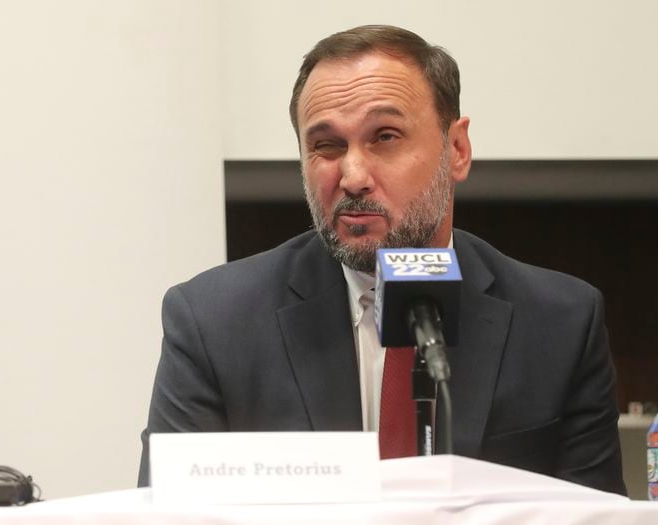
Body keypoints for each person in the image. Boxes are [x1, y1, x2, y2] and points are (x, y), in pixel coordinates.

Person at [138, 25, 626, 495]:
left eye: (385, 137)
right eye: (326, 145)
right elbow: (166, 513)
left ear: (456, 149)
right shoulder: (213, 321)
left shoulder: (560, 322)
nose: (352, 176)